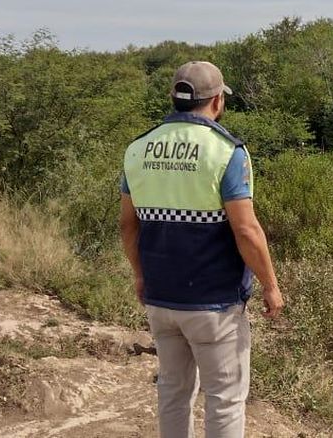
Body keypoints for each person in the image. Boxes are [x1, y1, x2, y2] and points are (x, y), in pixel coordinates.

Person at [119, 61, 284, 438]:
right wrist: (271, 285)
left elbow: (128, 224)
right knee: (224, 400)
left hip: (161, 299)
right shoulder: (226, 152)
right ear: (216, 102)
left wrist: (140, 275)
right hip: (214, 304)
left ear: (173, 99)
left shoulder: (138, 149)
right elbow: (246, 229)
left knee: (173, 394)